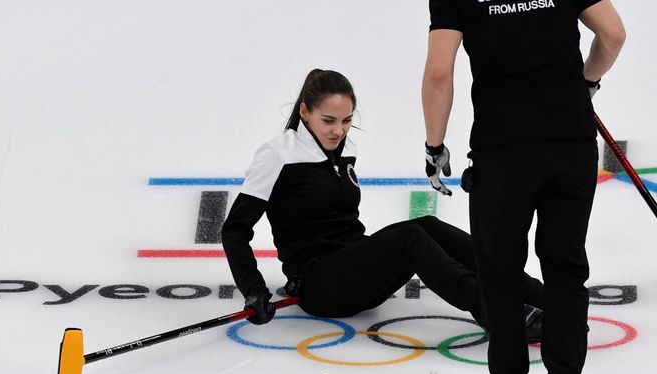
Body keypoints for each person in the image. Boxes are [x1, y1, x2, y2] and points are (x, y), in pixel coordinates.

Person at [422, 0, 625, 374]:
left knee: (500, 274)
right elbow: (612, 34)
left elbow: (440, 73)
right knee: (566, 268)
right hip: (569, 144)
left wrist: (434, 147)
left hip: (504, 152)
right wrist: (586, 81)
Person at [221, 68, 545, 343]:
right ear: (304, 112)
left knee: (426, 225)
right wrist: (253, 289)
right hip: (319, 284)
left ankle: (536, 293)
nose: (339, 130)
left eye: (347, 120)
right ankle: (499, 312)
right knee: (410, 239)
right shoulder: (277, 155)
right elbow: (234, 230)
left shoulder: (344, 151)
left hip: (356, 272)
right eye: (329, 120)